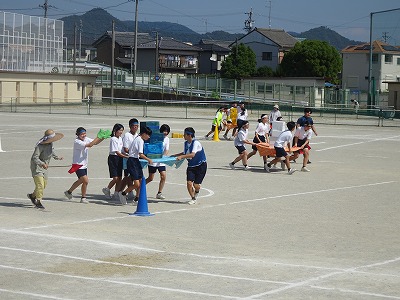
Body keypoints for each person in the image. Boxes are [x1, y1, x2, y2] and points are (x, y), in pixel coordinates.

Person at [64, 127, 104, 203]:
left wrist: (103, 137)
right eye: (82, 134)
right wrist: (98, 136)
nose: (83, 135)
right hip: (78, 165)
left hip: (84, 164)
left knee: (80, 181)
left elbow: (95, 142)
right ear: (78, 134)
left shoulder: (86, 138)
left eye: (84, 133)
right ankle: (83, 198)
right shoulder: (77, 142)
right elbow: (90, 145)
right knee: (85, 181)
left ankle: (68, 192)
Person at [28, 129, 64, 209]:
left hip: (45, 167)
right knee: (40, 185)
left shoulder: (50, 144)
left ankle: (32, 196)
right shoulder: (40, 146)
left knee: (43, 185)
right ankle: (38, 201)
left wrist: (57, 157)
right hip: (37, 167)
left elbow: (52, 152)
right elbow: (35, 157)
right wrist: (42, 163)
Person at [172, 127, 207, 205]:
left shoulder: (196, 143)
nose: (183, 135)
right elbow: (185, 153)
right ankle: (193, 198)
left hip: (200, 165)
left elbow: (192, 154)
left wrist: (181, 157)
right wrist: (175, 155)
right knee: (189, 183)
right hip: (191, 165)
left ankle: (197, 191)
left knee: (196, 185)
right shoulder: (186, 143)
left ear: (189, 135)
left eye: (184, 134)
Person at [119, 126, 153, 205]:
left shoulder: (138, 138)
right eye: (148, 135)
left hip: (136, 161)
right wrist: (148, 160)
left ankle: (137, 199)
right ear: (144, 134)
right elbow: (140, 154)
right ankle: (123, 193)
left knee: (141, 181)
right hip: (132, 161)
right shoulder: (140, 140)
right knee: (137, 183)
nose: (149, 137)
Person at [102, 123, 129, 203]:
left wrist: (127, 154)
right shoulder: (113, 139)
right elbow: (117, 152)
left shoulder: (120, 138)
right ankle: (107, 189)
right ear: (115, 130)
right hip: (113, 158)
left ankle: (116, 193)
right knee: (115, 178)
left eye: (122, 130)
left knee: (120, 178)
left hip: (120, 158)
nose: (121, 132)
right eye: (119, 130)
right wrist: (126, 157)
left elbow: (122, 150)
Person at [146, 124, 170, 200]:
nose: (165, 133)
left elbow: (166, 149)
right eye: (164, 131)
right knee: (150, 178)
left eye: (167, 131)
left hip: (161, 160)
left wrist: (164, 157)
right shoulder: (156, 138)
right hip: (153, 160)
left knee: (163, 176)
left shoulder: (167, 139)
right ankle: (139, 187)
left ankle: (159, 192)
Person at [118, 118, 140, 201]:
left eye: (137, 126)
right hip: (127, 158)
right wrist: (136, 152)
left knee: (132, 176)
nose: (135, 127)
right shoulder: (127, 135)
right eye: (134, 126)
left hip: (135, 159)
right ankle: (120, 192)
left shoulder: (137, 135)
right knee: (127, 177)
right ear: (130, 126)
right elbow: (126, 149)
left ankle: (128, 191)